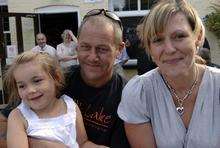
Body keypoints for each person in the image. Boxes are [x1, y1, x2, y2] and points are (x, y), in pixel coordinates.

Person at [0, 9, 130, 148]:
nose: (92, 57)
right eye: (85, 47)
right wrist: (41, 145)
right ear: (77, 45)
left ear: (119, 49)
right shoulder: (54, 80)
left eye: (102, 49)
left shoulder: (128, 96)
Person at [117, 0, 220, 147]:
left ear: (197, 37)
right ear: (150, 49)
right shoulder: (139, 93)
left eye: (179, 36)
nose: (170, 49)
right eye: (158, 40)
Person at [5, 51, 105, 148]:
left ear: (56, 78)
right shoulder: (18, 117)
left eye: (37, 81)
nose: (30, 90)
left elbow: (83, 143)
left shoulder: (70, 106)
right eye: (22, 86)